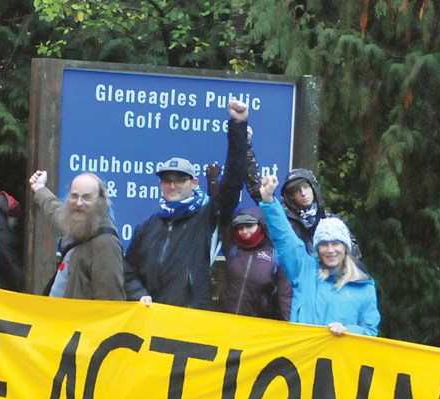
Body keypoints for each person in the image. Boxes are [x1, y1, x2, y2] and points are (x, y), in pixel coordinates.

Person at [123, 99, 249, 309]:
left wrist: (238, 126)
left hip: (189, 325)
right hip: (150, 321)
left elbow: (233, 182)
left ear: (194, 183)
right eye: (167, 180)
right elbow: (128, 269)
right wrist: (138, 293)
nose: (172, 186)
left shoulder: (207, 217)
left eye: (180, 180)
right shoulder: (147, 227)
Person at [258, 174, 379, 335]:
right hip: (302, 356)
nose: (330, 250)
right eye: (324, 244)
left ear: (345, 248)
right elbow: (284, 237)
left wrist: (348, 331)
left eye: (335, 243)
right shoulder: (304, 270)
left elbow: (370, 331)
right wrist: (268, 200)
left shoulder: (364, 287)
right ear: (317, 248)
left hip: (340, 359)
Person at [27, 171, 124, 300]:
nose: (78, 203)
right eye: (74, 196)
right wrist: (40, 188)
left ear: (100, 201)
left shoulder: (106, 244)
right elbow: (55, 211)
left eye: (86, 197)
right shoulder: (77, 225)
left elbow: (109, 303)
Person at [218, 206, 287, 319]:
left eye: (249, 226)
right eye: (240, 227)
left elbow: (285, 296)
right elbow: (225, 202)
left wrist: (290, 328)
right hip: (225, 320)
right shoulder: (232, 246)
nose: (244, 231)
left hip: (257, 325)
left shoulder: (275, 253)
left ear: (261, 225)